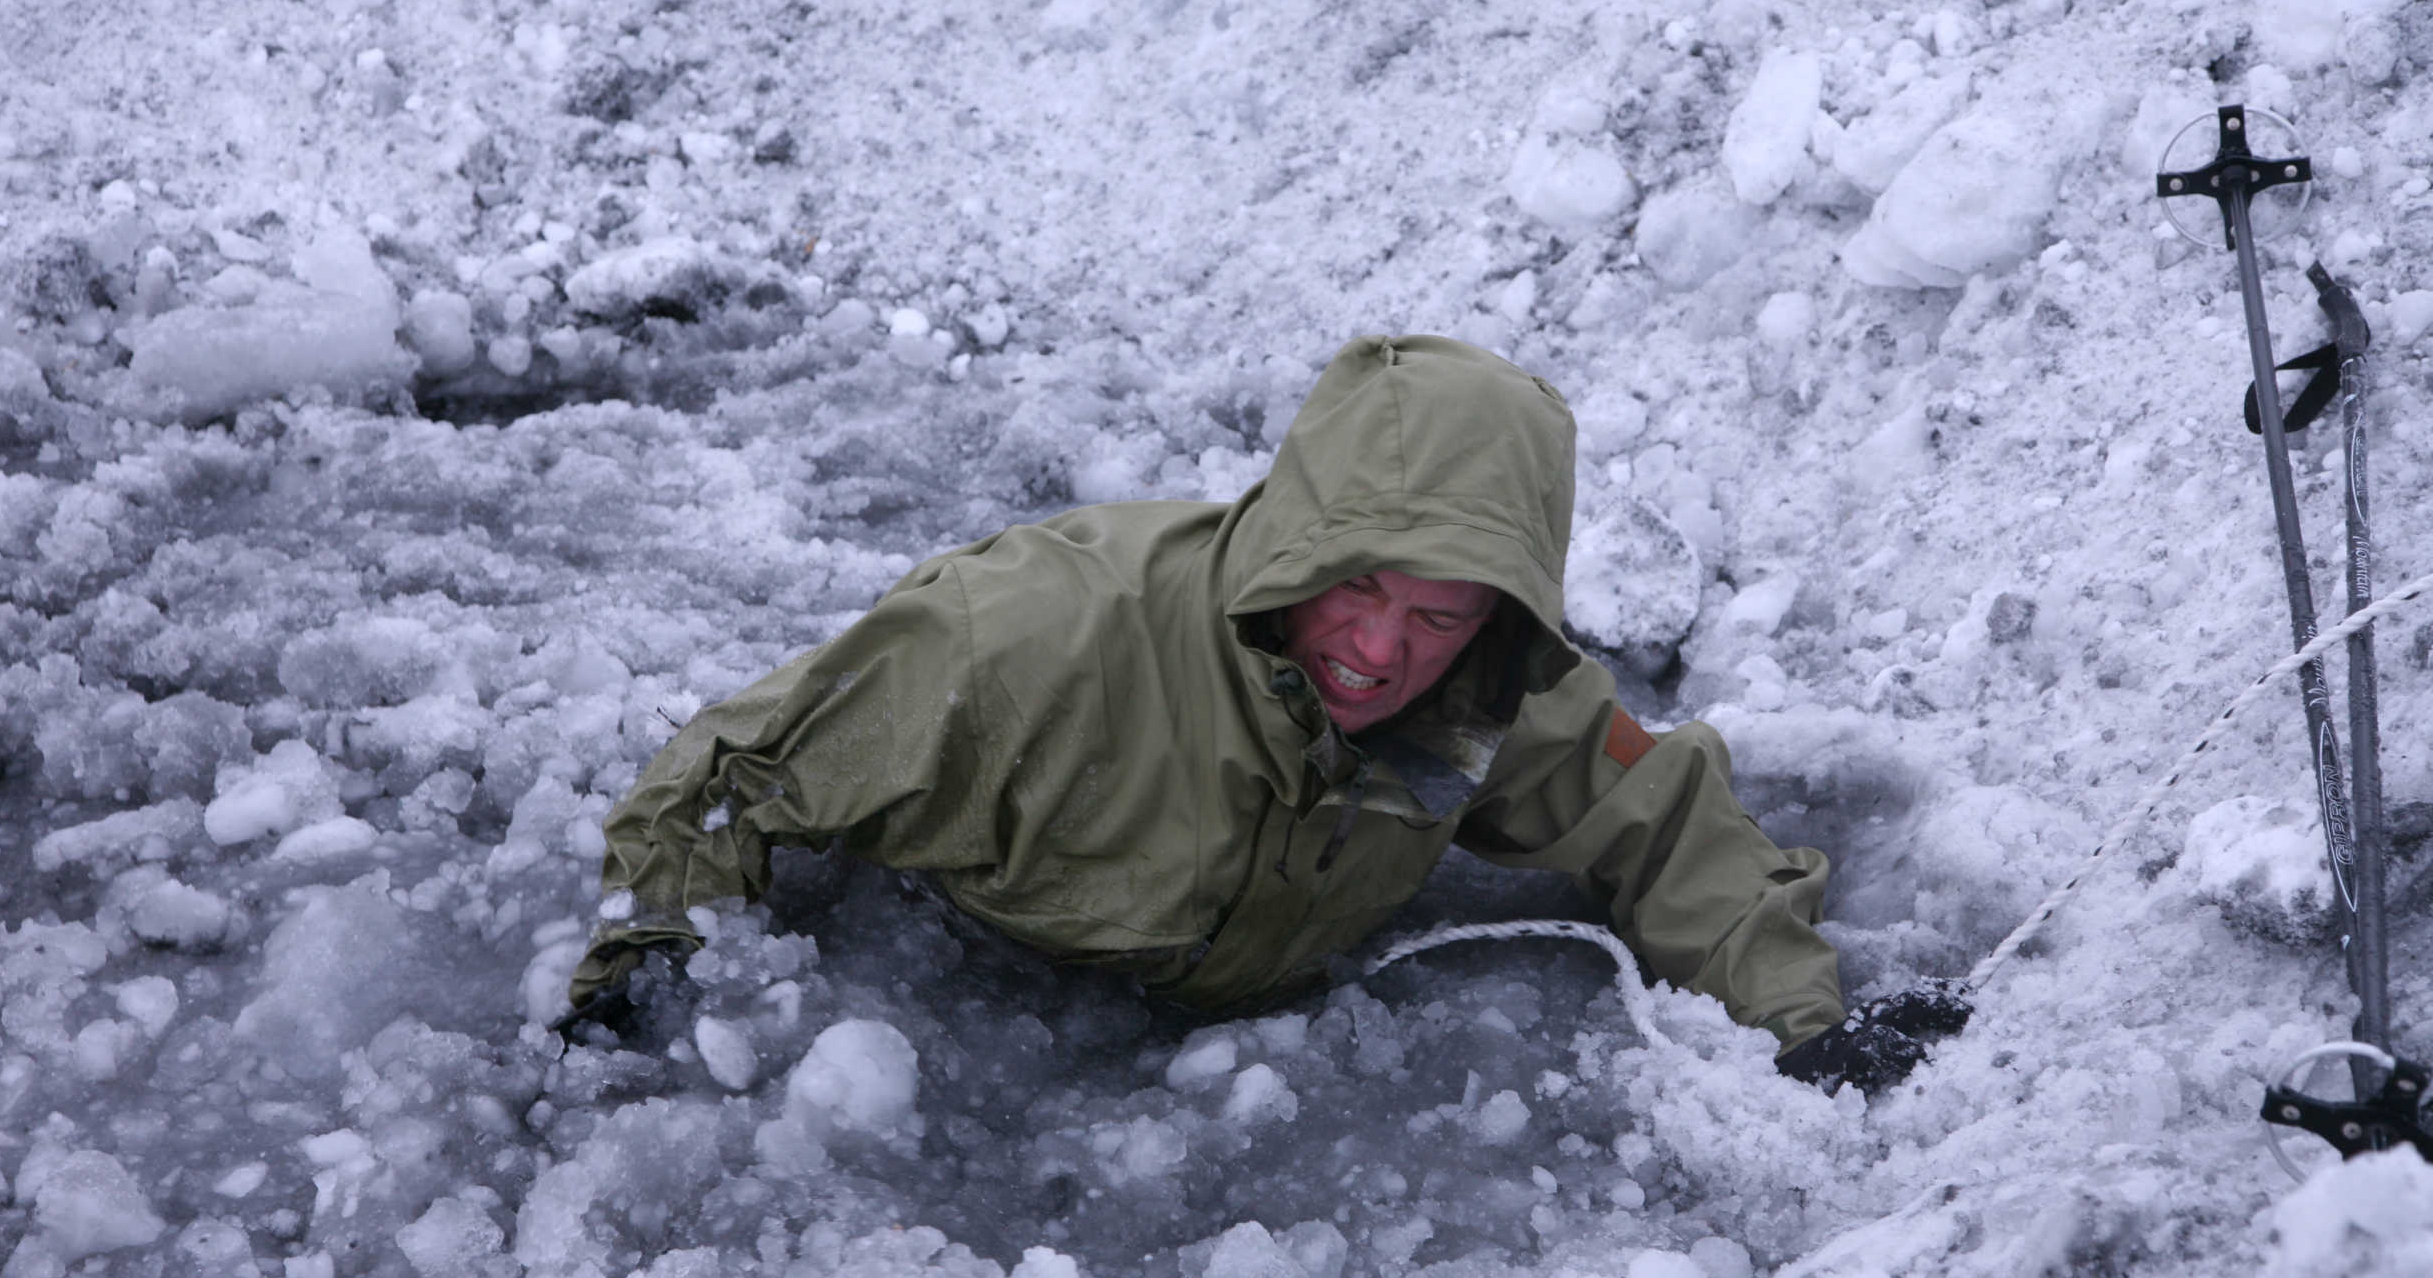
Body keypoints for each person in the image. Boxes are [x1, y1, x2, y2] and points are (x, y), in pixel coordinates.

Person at [566, 334, 1967, 1091]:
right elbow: (732, 774)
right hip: (992, 979)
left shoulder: (1482, 696)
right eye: (1355, 591)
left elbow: (1657, 820)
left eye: (1437, 614)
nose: (1379, 651)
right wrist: (645, 970)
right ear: (1297, 546)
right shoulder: (1017, 643)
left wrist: (1803, 1022)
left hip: (1243, 1010)